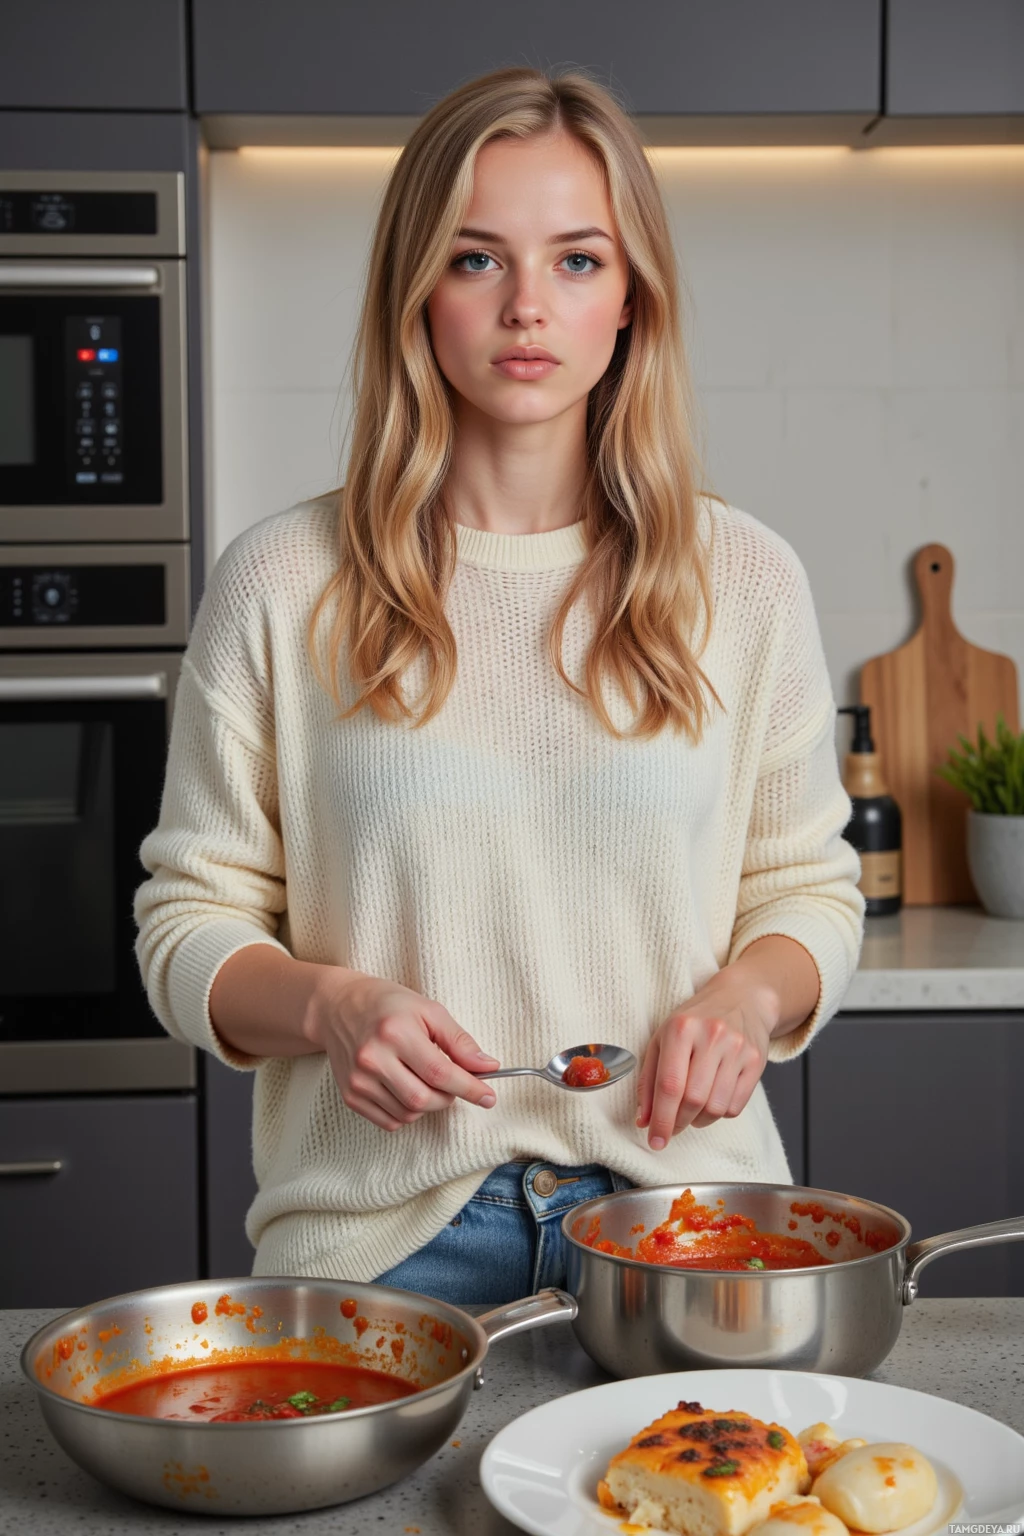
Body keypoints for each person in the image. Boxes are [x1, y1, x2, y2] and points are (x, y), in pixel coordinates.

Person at [134, 66, 864, 1306]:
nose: (528, 305)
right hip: (377, 1242)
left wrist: (749, 995)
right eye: (477, 259)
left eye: (577, 260)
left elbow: (810, 891)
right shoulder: (280, 579)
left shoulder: (742, 577)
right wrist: (329, 1007)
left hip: (677, 1223)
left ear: (631, 297)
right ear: (416, 291)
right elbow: (184, 927)